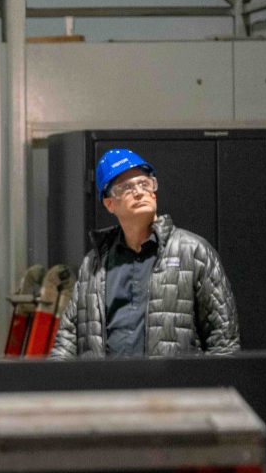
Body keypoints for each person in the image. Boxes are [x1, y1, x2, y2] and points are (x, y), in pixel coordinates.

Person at [51, 148, 239, 358]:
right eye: (127, 188)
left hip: (172, 388)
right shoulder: (94, 262)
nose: (139, 192)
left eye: (144, 184)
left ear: (154, 191)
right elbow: (67, 339)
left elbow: (224, 342)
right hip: (106, 388)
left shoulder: (193, 251)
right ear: (109, 203)